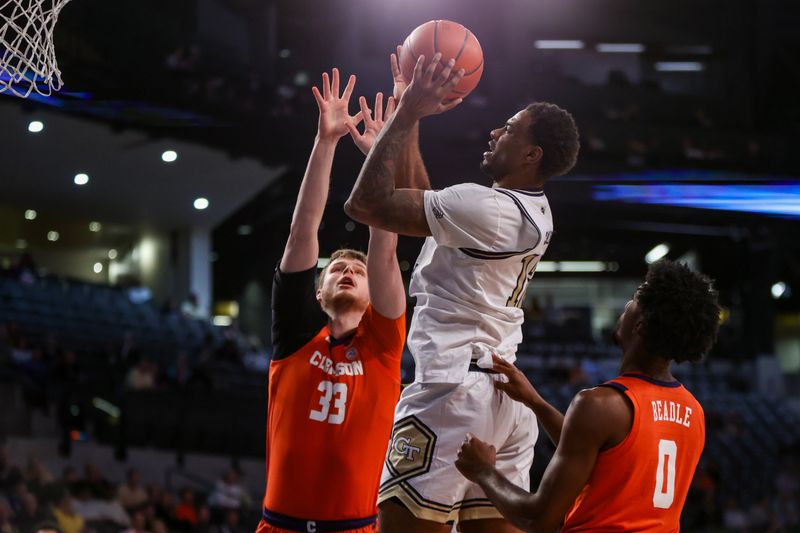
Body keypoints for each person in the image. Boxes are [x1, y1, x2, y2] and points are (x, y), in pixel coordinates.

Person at [344, 50, 580, 531]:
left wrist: (409, 112)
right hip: (503, 400)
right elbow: (428, 216)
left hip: (452, 392)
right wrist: (408, 119)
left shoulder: (489, 210)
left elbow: (365, 204)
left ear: (532, 155)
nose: (495, 132)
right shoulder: (530, 209)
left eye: (509, 129)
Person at [455, 260, 721, 532]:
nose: (627, 305)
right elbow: (604, 461)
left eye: (635, 298)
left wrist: (484, 471)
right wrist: (536, 402)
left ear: (640, 325)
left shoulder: (600, 405)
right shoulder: (693, 411)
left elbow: (538, 519)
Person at [255, 68, 407, 533]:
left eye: (356, 272)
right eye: (336, 269)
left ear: (371, 294)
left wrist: (382, 154)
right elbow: (304, 232)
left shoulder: (383, 345)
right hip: (278, 525)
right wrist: (326, 143)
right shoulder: (297, 336)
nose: (347, 271)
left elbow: (383, 248)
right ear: (319, 292)